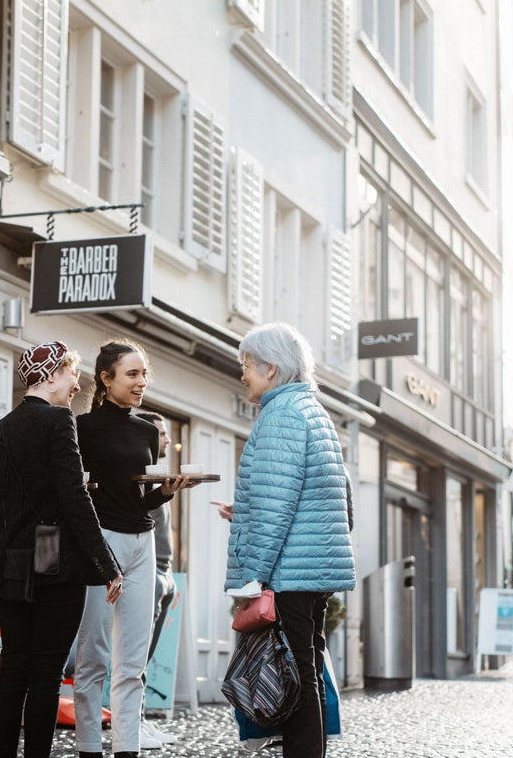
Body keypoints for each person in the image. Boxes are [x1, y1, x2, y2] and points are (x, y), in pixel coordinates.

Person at [0, 340, 124, 758]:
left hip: (11, 560)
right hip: (50, 551)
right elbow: (73, 496)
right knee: (46, 672)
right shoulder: (58, 420)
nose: (76, 382)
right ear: (50, 377)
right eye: (71, 373)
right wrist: (107, 563)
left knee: (13, 668)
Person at [222, 323, 355, 758]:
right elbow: (325, 498)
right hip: (312, 568)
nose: (243, 374)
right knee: (308, 669)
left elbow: (277, 506)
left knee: (295, 675)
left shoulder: (281, 415)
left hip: (291, 571)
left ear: (271, 368)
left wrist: (254, 576)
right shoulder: (312, 411)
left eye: (247, 365)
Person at [73, 340, 195, 758]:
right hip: (100, 544)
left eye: (144, 374)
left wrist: (165, 492)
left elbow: (139, 499)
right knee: (93, 655)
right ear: (105, 380)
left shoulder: (147, 430)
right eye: (132, 374)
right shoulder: (81, 430)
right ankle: (89, 746)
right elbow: (80, 496)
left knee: (133, 660)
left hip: (143, 543)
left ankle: (127, 748)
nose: (142, 382)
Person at [134, 412, 178, 749]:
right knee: (137, 655)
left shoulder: (158, 474)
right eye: (160, 433)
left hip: (164, 570)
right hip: (148, 570)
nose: (165, 440)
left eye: (165, 434)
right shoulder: (139, 475)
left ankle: (140, 720)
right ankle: (131, 724)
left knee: (147, 656)